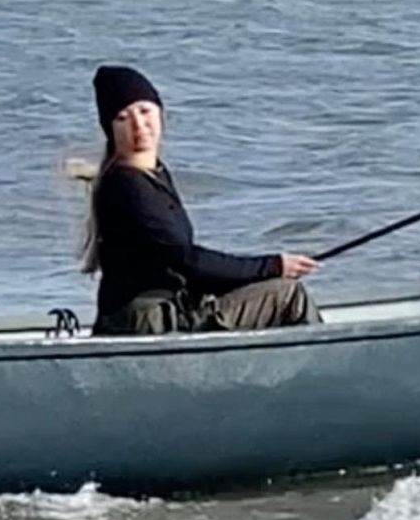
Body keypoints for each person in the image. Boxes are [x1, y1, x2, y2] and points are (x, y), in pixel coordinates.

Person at [82, 65, 323, 335]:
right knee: (288, 295)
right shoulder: (129, 186)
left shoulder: (152, 175)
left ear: (161, 114)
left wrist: (258, 274)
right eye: (123, 118)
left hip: (163, 310)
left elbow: (180, 266)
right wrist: (274, 266)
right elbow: (186, 261)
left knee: (263, 289)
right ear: (111, 130)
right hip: (148, 322)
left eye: (144, 111)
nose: (139, 125)